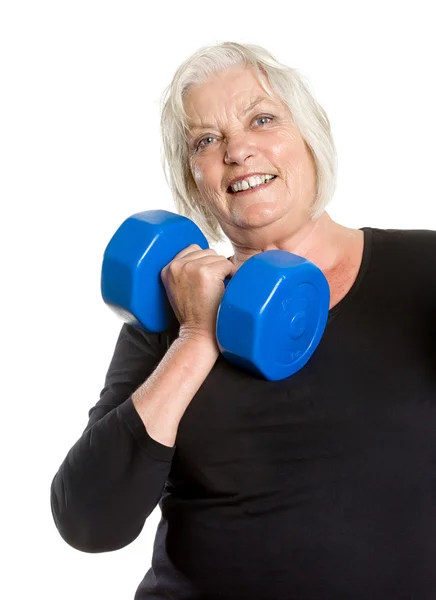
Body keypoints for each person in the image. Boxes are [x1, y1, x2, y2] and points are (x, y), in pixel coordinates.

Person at [50, 41, 436, 599]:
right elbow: (90, 521)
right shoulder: (171, 308)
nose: (238, 151)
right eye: (207, 141)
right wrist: (196, 336)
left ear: (310, 136)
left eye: (262, 119)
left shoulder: (424, 272)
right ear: (194, 180)